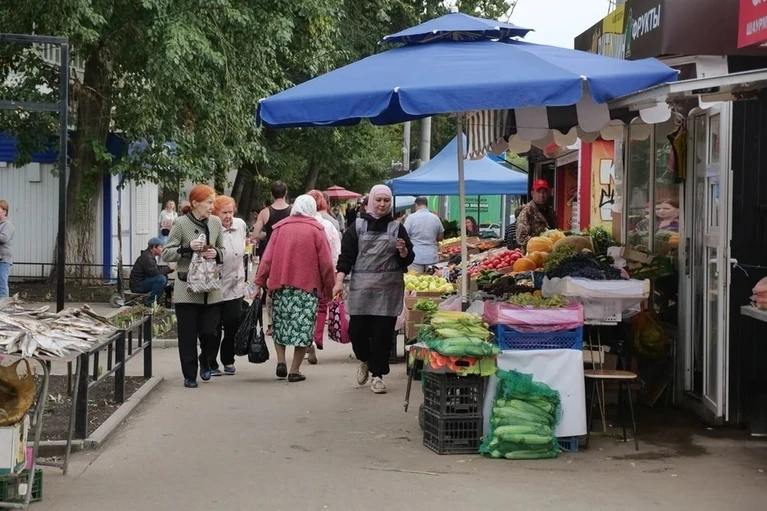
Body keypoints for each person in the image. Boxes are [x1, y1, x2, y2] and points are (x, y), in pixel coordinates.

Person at [334, 184, 414, 394]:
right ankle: (364, 359)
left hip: (388, 290)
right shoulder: (357, 227)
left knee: (382, 334)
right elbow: (346, 257)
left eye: (386, 200)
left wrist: (403, 251)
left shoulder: (397, 228)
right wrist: (339, 281)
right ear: (370, 201)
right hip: (361, 289)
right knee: (357, 331)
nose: (382, 204)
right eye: (378, 200)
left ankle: (378, 376)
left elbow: (408, 258)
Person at [255, 195, 335, 383]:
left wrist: (259, 282)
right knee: (304, 329)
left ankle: (281, 361)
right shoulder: (317, 230)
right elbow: (326, 264)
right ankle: (294, 370)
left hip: (280, 286)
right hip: (307, 289)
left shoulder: (279, 228)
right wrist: (330, 288)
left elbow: (267, 260)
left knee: (280, 325)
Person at [161, 185, 225, 389]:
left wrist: (216, 253)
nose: (212, 206)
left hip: (211, 290)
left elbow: (223, 249)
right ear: (195, 203)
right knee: (187, 335)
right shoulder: (180, 223)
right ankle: (189, 375)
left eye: (213, 202)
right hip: (186, 289)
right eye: (209, 202)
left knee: (210, 332)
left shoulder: (215, 222)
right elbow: (166, 253)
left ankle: (205, 360)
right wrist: (187, 248)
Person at [211, 195, 248, 376]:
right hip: (215, 286)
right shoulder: (211, 228)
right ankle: (211, 362)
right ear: (215, 213)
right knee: (213, 328)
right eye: (224, 212)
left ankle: (228, 359)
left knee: (233, 324)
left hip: (235, 285)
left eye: (231, 212)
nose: (228, 216)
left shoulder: (240, 225)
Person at [306, 190, 342, 365]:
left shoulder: (300, 225)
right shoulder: (329, 224)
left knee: (305, 306)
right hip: (325, 270)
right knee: (322, 306)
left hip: (305, 272)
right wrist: (335, 274)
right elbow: (336, 251)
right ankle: (317, 338)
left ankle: (305, 339)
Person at [129, 238, 175, 307]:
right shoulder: (147, 257)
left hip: (142, 282)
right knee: (161, 279)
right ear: (154, 247)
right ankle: (150, 303)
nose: (162, 249)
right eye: (161, 247)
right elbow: (153, 273)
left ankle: (155, 300)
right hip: (138, 285)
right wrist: (168, 268)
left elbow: (156, 269)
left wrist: (169, 269)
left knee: (164, 276)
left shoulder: (149, 256)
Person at [404, 197, 444, 273]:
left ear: (416, 205)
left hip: (415, 256)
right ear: (426, 205)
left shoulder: (411, 218)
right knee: (432, 279)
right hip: (431, 256)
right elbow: (441, 236)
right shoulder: (435, 218)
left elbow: (405, 236)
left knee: (415, 279)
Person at [516, 179, 558, 249]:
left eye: (544, 192)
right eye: (538, 192)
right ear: (532, 193)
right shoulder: (527, 211)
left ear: (548, 194)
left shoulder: (550, 211)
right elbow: (521, 238)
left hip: (550, 250)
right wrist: (542, 241)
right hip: (533, 252)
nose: (542, 195)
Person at [0, 201, 14, 298]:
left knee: (2, 283)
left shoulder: (8, 224)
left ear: (5, 211)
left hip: (3, 259)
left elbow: (4, 238)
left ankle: (4, 304)